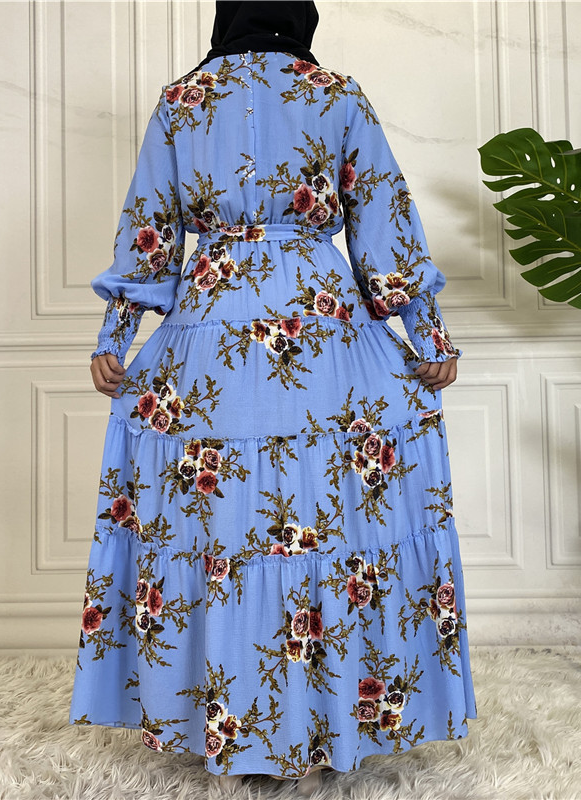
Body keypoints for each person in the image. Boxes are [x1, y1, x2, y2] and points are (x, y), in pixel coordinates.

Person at [70, 1, 477, 795]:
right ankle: (322, 727)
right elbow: (384, 222)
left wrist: (114, 337)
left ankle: (227, 722)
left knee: (221, 529)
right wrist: (429, 338)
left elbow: (150, 232)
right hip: (324, 329)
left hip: (209, 325)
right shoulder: (337, 94)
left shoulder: (183, 101)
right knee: (323, 522)